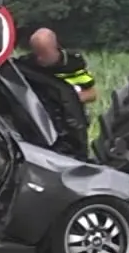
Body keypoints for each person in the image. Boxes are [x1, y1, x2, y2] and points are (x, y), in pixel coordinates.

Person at [13, 28, 97, 159]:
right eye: (37, 53)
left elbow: (92, 94)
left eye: (44, 53)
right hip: (41, 130)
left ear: (55, 47)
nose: (40, 58)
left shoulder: (73, 65)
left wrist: (67, 100)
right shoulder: (28, 65)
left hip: (71, 128)